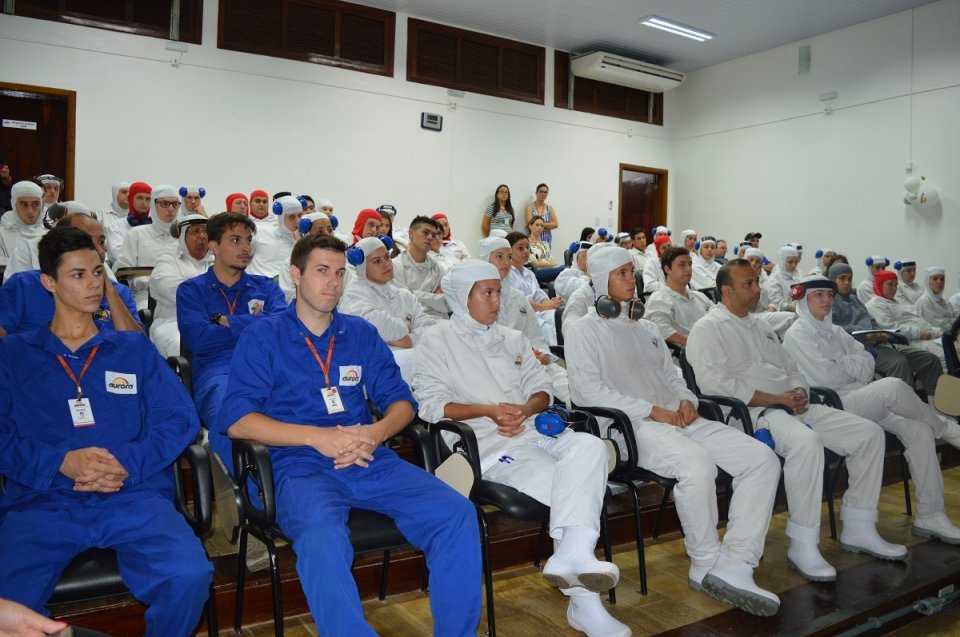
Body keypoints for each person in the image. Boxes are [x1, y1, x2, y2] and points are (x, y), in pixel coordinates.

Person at [218, 233, 481, 636]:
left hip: (367, 456)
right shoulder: (263, 335)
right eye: (322, 271)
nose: (333, 283)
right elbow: (238, 420)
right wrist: (316, 438)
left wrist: (376, 432)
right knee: (323, 536)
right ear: (295, 275)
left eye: (340, 273)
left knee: (456, 513)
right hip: (297, 465)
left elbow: (402, 403)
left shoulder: (360, 332)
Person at [0, 226, 212, 636]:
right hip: (44, 502)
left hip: (131, 495)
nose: (93, 283)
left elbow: (180, 419)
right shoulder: (14, 355)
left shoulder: (131, 348)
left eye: (98, 272)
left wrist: (126, 462)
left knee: (188, 576)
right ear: (49, 283)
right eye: (78, 275)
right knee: (5, 602)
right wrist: (60, 462)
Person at [413, 260, 630, 637]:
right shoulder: (437, 339)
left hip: (534, 430)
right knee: (570, 487)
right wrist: (489, 411)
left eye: (498, 291)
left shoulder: (512, 338)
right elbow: (431, 406)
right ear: (462, 298)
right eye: (488, 292)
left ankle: (569, 558)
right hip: (487, 443)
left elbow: (542, 387)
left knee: (592, 448)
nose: (497, 300)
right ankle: (583, 599)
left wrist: (527, 408)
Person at [565, 246, 781, 616]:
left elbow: (673, 376)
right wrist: (652, 411)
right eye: (621, 273)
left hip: (679, 419)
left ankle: (736, 563)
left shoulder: (647, 328)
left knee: (761, 460)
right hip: (631, 428)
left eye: (631, 271)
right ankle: (705, 561)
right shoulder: (582, 330)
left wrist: (685, 401)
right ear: (601, 281)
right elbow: (588, 392)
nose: (631, 279)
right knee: (696, 466)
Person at [686, 259, 907, 583]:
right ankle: (803, 543)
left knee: (868, 434)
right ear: (726, 290)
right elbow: (716, 386)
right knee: (807, 443)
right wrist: (776, 399)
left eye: (757, 282)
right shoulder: (708, 328)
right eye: (749, 283)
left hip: (793, 405)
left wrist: (800, 391)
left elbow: (791, 368)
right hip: (751, 414)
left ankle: (860, 526)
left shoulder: (761, 325)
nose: (757, 288)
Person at [783, 275, 960, 543]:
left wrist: (842, 362)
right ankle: (946, 427)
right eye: (819, 295)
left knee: (919, 430)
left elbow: (867, 364)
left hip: (860, 397)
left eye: (830, 295)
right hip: (832, 405)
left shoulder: (836, 331)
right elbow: (825, 378)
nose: (827, 300)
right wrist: (850, 364)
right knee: (892, 386)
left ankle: (931, 515)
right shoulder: (797, 334)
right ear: (803, 300)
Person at [176, 213, 286, 470]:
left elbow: (281, 328)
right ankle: (242, 502)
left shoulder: (266, 287)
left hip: (268, 369)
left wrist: (232, 322)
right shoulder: (192, 290)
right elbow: (199, 341)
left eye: (248, 240)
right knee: (231, 416)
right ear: (213, 246)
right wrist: (257, 323)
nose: (245, 247)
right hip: (219, 373)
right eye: (235, 240)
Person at [0, 219, 140, 337]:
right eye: (84, 242)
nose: (99, 251)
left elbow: (138, 351)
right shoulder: (24, 286)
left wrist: (108, 290)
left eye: (101, 241)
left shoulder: (119, 293)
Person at [828, 262, 943, 396]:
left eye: (850, 278)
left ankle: (937, 406)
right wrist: (865, 336)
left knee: (930, 359)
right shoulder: (829, 301)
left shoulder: (854, 299)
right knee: (899, 363)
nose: (847, 282)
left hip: (880, 342)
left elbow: (870, 320)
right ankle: (907, 410)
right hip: (860, 348)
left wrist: (879, 332)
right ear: (832, 280)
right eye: (842, 278)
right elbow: (835, 328)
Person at [479, 236, 570, 403]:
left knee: (573, 388)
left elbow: (535, 337)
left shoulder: (518, 297)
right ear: (485, 260)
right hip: (503, 372)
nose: (506, 262)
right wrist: (526, 358)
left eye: (508, 257)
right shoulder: (476, 301)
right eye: (499, 256)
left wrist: (542, 356)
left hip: (535, 363)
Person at [339, 236, 435, 384]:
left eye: (387, 257)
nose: (386, 264)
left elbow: (429, 328)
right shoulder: (354, 296)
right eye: (377, 261)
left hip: (413, 371)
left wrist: (408, 339)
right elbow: (375, 326)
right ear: (361, 266)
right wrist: (406, 328)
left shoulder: (402, 294)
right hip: (373, 379)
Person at [148, 214, 212, 358]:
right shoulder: (167, 261)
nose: (202, 236)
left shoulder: (218, 261)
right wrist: (213, 293)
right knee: (180, 343)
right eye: (195, 231)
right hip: (173, 321)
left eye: (205, 231)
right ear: (182, 236)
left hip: (214, 321)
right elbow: (172, 290)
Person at [114, 184, 180, 310]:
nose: (171, 209)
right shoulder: (137, 234)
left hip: (180, 294)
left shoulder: (184, 236)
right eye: (165, 203)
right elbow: (122, 272)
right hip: (145, 295)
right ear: (153, 206)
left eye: (175, 204)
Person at [867, 270, 947, 370]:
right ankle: (946, 385)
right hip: (908, 341)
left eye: (896, 285)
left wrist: (936, 331)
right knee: (944, 356)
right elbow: (891, 328)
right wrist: (920, 333)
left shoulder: (896, 302)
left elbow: (916, 319)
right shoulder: (874, 305)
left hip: (925, 335)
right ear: (879, 285)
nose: (894, 288)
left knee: (954, 350)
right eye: (890, 285)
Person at [645, 246, 713, 347]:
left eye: (690, 264)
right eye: (682, 265)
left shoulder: (700, 297)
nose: (689, 269)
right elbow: (661, 330)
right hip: (684, 356)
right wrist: (696, 343)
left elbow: (717, 316)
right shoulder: (659, 299)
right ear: (667, 269)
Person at [505, 231, 559, 345]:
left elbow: (538, 293)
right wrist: (544, 307)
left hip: (539, 311)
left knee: (561, 318)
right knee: (548, 329)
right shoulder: (507, 274)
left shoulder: (529, 273)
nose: (526, 251)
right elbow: (519, 302)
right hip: (523, 315)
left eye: (527, 247)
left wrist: (549, 302)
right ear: (509, 251)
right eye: (520, 248)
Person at [391, 215, 449, 319]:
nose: (431, 237)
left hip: (440, 321)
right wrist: (433, 298)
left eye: (434, 234)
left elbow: (447, 304)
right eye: (426, 232)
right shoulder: (395, 266)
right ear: (411, 233)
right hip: (410, 323)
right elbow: (401, 303)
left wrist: (412, 293)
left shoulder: (437, 268)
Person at [247, 195, 306, 279]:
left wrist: (300, 243)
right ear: (281, 218)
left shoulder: (305, 240)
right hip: (257, 284)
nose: (298, 221)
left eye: (300, 215)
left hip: (284, 286)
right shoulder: (261, 231)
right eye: (291, 217)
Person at [0, 181, 45, 267]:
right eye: (24, 204)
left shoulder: (51, 235)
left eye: (35, 204)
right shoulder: (1, 235)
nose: (30, 211)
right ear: (14, 205)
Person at [915, 266, 958, 333]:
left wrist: (949, 321)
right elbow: (937, 324)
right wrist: (951, 321)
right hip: (933, 339)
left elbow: (956, 320)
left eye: (942, 279)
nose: (939, 282)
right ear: (927, 281)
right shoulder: (924, 301)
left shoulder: (946, 302)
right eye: (935, 279)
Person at [525, 215, 565, 283]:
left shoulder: (545, 244)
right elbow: (534, 264)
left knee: (566, 267)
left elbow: (554, 262)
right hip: (536, 272)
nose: (540, 228)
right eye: (537, 225)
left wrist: (544, 263)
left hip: (549, 270)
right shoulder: (526, 243)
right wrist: (549, 263)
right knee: (565, 269)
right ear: (530, 226)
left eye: (542, 226)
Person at [99, 181, 131, 264]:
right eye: (124, 192)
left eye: (130, 192)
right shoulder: (100, 214)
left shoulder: (136, 217)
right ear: (115, 194)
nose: (128, 195)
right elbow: (97, 241)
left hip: (131, 261)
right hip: (105, 262)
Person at [762, 245, 801, 311]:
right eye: (790, 262)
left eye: (796, 262)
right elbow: (776, 303)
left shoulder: (796, 278)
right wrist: (794, 308)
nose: (794, 265)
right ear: (782, 261)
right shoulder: (774, 279)